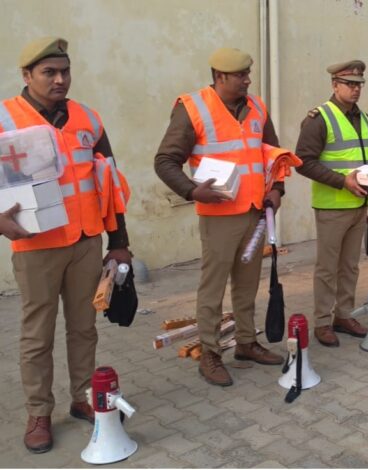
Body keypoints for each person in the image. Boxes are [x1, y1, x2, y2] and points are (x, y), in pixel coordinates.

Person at [0, 37, 132, 453]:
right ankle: (39, 412)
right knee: (37, 335)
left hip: (85, 242)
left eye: (65, 71)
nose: (60, 80)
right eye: (49, 72)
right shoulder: (5, 118)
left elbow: (110, 180)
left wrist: (119, 241)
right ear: (27, 76)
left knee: (84, 328)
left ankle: (84, 397)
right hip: (36, 246)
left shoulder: (88, 118)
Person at [154, 47, 284, 388]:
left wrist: (278, 188)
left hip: (255, 212)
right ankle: (210, 353)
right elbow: (165, 160)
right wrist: (191, 190)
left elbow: (273, 154)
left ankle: (246, 342)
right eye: (240, 75)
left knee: (247, 283)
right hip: (219, 217)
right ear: (219, 76)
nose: (247, 80)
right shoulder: (193, 108)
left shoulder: (256, 107)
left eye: (248, 74)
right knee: (213, 288)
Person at [294, 60, 368, 347]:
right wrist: (343, 182)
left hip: (359, 205)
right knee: (327, 268)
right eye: (349, 84)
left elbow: (367, 162)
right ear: (334, 85)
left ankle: (343, 315)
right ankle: (321, 322)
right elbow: (302, 162)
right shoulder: (319, 118)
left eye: (359, 84)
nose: (355, 89)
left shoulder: (364, 118)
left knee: (350, 266)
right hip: (332, 206)